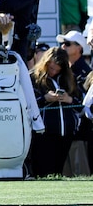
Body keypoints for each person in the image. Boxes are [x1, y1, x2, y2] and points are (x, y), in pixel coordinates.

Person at [30, 47, 80, 177]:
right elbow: (26, 104)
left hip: (66, 132)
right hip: (43, 133)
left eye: (58, 69)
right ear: (46, 63)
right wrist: (45, 99)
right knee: (43, 171)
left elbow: (81, 104)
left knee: (58, 171)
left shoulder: (68, 79)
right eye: (52, 68)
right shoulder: (33, 78)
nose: (54, 72)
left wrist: (69, 100)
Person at [57, 30, 91, 177]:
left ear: (79, 48)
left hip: (81, 132)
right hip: (67, 130)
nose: (63, 47)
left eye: (67, 44)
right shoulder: (64, 70)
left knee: (81, 173)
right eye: (62, 44)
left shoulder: (84, 72)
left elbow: (84, 101)